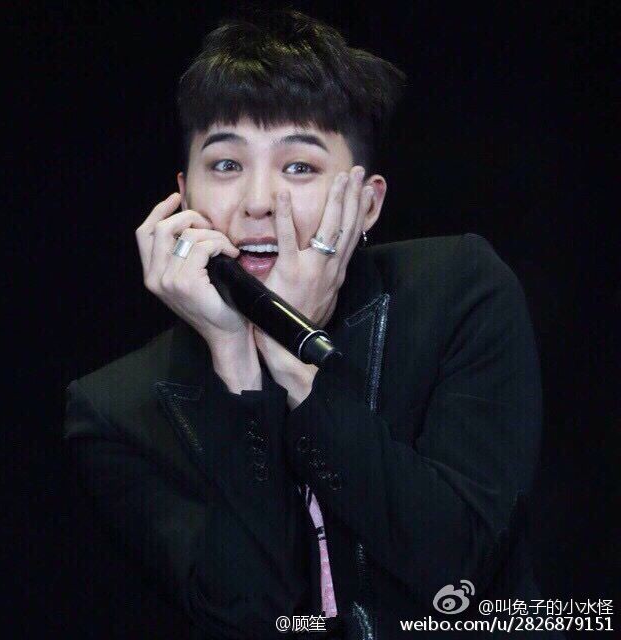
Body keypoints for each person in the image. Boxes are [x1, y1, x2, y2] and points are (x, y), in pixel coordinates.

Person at [63, 8, 563, 640]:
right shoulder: (115, 409)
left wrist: (299, 371)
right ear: (183, 197)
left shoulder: (458, 291)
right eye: (226, 165)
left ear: (367, 203)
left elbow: (457, 573)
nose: (257, 202)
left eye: (299, 166)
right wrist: (238, 363)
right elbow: (253, 619)